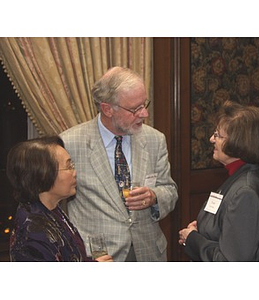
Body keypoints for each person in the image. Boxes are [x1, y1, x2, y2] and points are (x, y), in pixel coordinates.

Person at [60, 66, 178, 261]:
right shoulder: (70, 143)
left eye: (144, 104)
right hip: (99, 257)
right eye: (135, 109)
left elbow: (170, 190)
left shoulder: (154, 139)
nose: (144, 114)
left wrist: (154, 197)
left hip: (148, 253)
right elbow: (53, 201)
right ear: (107, 109)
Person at [179, 100, 259, 261]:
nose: (211, 139)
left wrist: (193, 239)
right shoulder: (241, 176)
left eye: (217, 135)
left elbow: (230, 262)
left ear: (239, 142)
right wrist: (202, 229)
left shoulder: (246, 191)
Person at [6, 136, 113, 262]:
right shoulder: (34, 230)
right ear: (43, 174)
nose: (74, 172)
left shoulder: (51, 209)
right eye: (68, 167)